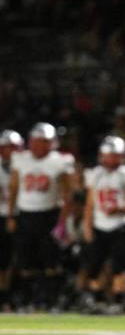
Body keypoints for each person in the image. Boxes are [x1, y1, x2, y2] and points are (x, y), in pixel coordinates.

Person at [6, 122, 75, 310]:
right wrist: (12, 215)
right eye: (35, 141)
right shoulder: (21, 159)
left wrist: (63, 222)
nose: (38, 146)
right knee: (26, 262)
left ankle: (50, 301)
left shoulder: (59, 161)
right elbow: (14, 189)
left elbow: (67, 194)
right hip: (26, 215)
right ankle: (28, 300)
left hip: (49, 215)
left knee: (50, 262)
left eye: (43, 142)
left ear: (52, 143)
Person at [81, 136, 125, 314]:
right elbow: (90, 204)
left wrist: (117, 208)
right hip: (99, 226)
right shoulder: (95, 174)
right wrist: (87, 225)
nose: (111, 159)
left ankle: (117, 301)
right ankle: (97, 300)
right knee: (94, 266)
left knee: (119, 267)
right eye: (108, 155)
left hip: (120, 226)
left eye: (115, 155)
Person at [0, 130, 24, 309]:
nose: (10, 152)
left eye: (14, 148)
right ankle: (4, 297)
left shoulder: (27, 165)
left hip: (22, 214)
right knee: (3, 259)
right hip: (2, 215)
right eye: (7, 148)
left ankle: (16, 295)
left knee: (20, 258)